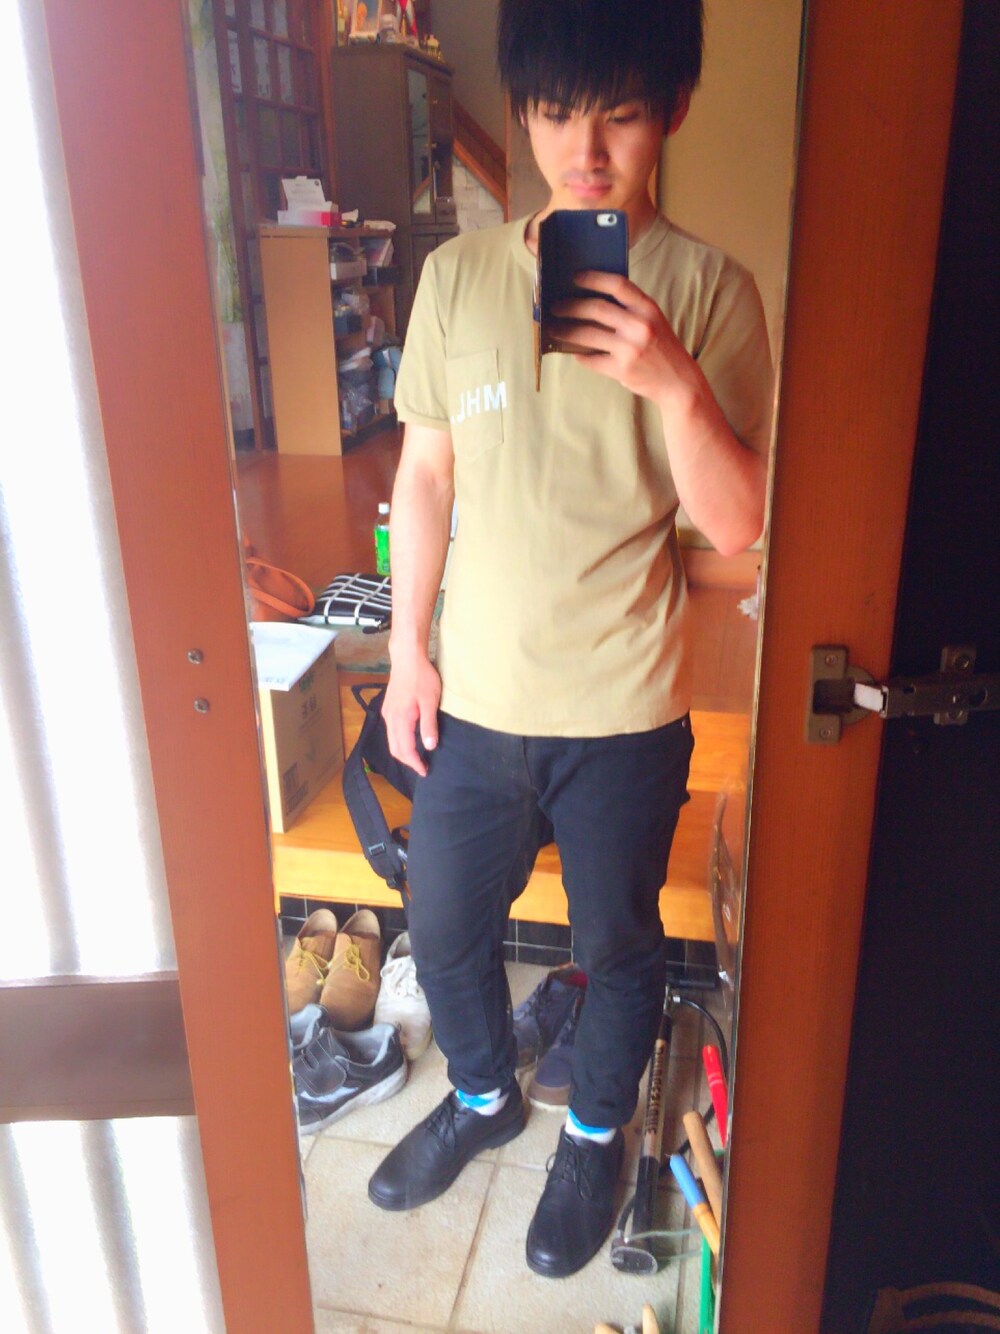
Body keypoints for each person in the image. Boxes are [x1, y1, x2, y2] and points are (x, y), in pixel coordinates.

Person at [367, 0, 772, 1278]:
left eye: (620, 116)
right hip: (474, 691)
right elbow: (425, 475)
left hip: (623, 702)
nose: (584, 152)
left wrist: (671, 381)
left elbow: (739, 525)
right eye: (552, 114)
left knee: (617, 946)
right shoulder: (457, 278)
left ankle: (595, 1131)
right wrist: (408, 649)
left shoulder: (710, 290)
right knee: (441, 923)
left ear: (673, 111)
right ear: (523, 111)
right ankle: (485, 1095)